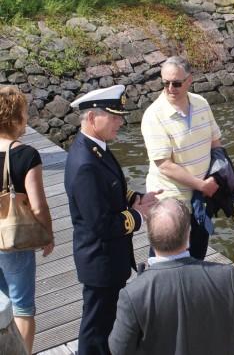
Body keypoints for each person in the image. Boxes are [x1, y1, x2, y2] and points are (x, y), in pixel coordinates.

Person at [65, 85, 159, 355]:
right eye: (114, 116)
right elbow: (101, 224)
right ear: (93, 119)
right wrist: (139, 216)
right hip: (100, 260)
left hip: (109, 259)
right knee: (95, 330)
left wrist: (135, 198)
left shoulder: (96, 148)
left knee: (105, 324)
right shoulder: (85, 163)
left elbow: (110, 186)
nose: (120, 121)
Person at [108, 198, 234, 355]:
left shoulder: (133, 295)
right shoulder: (226, 277)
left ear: (150, 238)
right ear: (188, 235)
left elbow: (119, 349)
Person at [141, 56, 223, 260]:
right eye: (165, 83)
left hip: (201, 199)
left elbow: (216, 143)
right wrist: (200, 184)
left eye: (176, 83)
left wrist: (215, 177)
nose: (170, 88)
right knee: (165, 260)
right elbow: (164, 165)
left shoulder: (201, 103)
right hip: (170, 204)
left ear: (189, 80)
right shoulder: (154, 116)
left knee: (197, 254)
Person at [0, 86, 54, 353]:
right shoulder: (26, 154)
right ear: (14, 118)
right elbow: (39, 205)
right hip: (13, 240)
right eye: (24, 112)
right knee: (22, 308)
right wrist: (48, 234)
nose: (28, 119)